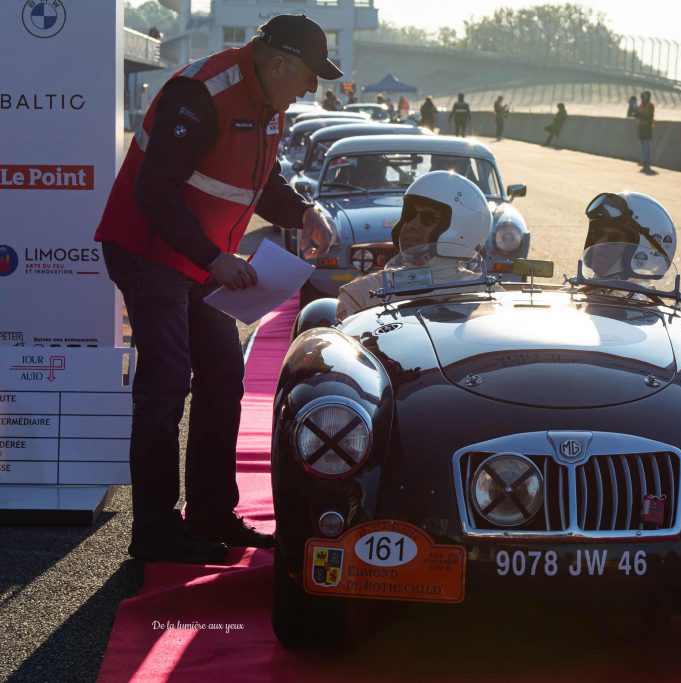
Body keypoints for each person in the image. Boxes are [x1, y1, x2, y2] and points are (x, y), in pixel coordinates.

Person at [94, 14, 338, 564]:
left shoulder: (270, 104)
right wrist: (214, 259)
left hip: (201, 260)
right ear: (278, 63)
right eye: (307, 76)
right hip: (148, 250)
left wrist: (303, 213)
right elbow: (155, 192)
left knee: (225, 377)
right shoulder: (200, 91)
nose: (310, 89)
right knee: (167, 381)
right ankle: (155, 530)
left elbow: (261, 181)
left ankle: (209, 514)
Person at [337, 171, 491, 319]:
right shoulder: (363, 294)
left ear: (461, 229)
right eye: (409, 215)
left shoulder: (486, 294)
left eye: (428, 218)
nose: (410, 225)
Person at [580, 191, 676, 285]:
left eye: (614, 239)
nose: (600, 244)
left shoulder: (641, 301)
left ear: (644, 247)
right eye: (598, 235)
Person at [637, 91, 655, 174]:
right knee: (643, 145)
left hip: (647, 127)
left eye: (645, 97)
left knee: (646, 145)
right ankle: (644, 160)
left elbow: (649, 116)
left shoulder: (650, 106)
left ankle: (646, 161)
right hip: (641, 127)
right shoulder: (641, 105)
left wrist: (640, 115)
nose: (643, 98)